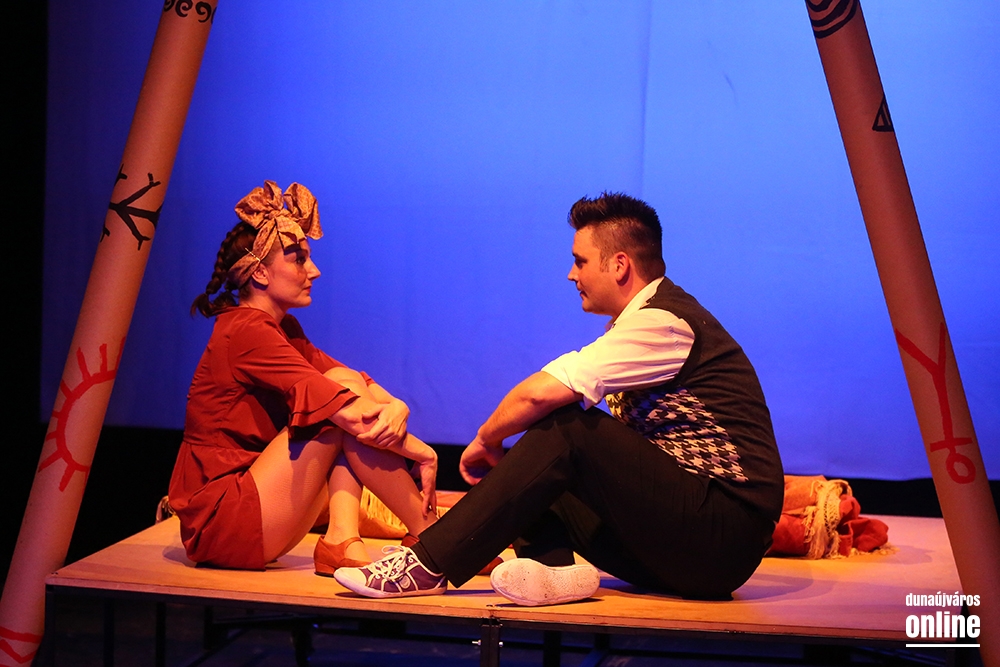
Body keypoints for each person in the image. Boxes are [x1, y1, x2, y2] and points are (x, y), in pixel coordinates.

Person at [335, 192, 784, 604]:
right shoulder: (640, 323)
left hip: (723, 538)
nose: (572, 274)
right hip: (677, 546)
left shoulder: (664, 323)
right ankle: (555, 573)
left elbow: (539, 394)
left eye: (580, 261)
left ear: (620, 265)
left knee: (567, 426)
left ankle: (428, 563)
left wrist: (487, 439)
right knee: (534, 472)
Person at [168, 180, 438, 575]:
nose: (314, 270)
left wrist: (398, 405)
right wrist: (423, 452)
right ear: (260, 273)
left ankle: (342, 539)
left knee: (343, 385)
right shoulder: (245, 330)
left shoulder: (283, 328)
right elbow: (348, 410)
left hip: (262, 505)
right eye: (298, 259)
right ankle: (433, 535)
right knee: (339, 403)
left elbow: (353, 379)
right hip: (225, 520)